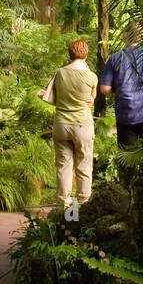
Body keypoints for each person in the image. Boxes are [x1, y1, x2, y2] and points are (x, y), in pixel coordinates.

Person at [44, 38, 98, 209]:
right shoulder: (91, 76)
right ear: (86, 54)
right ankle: (82, 202)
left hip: (61, 124)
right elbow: (92, 98)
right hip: (83, 124)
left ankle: (66, 205)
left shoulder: (60, 73)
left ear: (70, 53)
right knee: (84, 162)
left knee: (63, 164)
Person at [99, 21, 143, 147]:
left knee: (128, 160)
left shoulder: (115, 58)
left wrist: (121, 88)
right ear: (141, 36)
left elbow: (104, 89)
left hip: (125, 115)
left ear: (124, 36)